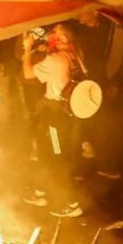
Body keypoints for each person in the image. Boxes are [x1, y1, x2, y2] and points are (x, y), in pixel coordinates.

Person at [21, 23, 84, 217]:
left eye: (56, 32)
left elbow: (28, 74)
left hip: (56, 118)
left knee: (57, 158)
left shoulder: (56, 60)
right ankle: (41, 191)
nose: (51, 35)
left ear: (64, 39)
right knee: (46, 152)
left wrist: (27, 50)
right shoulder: (75, 55)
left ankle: (72, 204)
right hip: (66, 115)